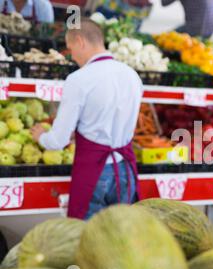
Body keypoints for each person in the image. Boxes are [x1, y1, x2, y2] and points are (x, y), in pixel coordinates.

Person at [31, 18, 143, 220]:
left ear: (80, 41)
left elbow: (58, 141)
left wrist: (40, 137)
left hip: (95, 173)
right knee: (121, 237)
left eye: (70, 48)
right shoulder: (132, 76)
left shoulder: (78, 79)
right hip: (125, 170)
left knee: (89, 239)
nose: (71, 55)